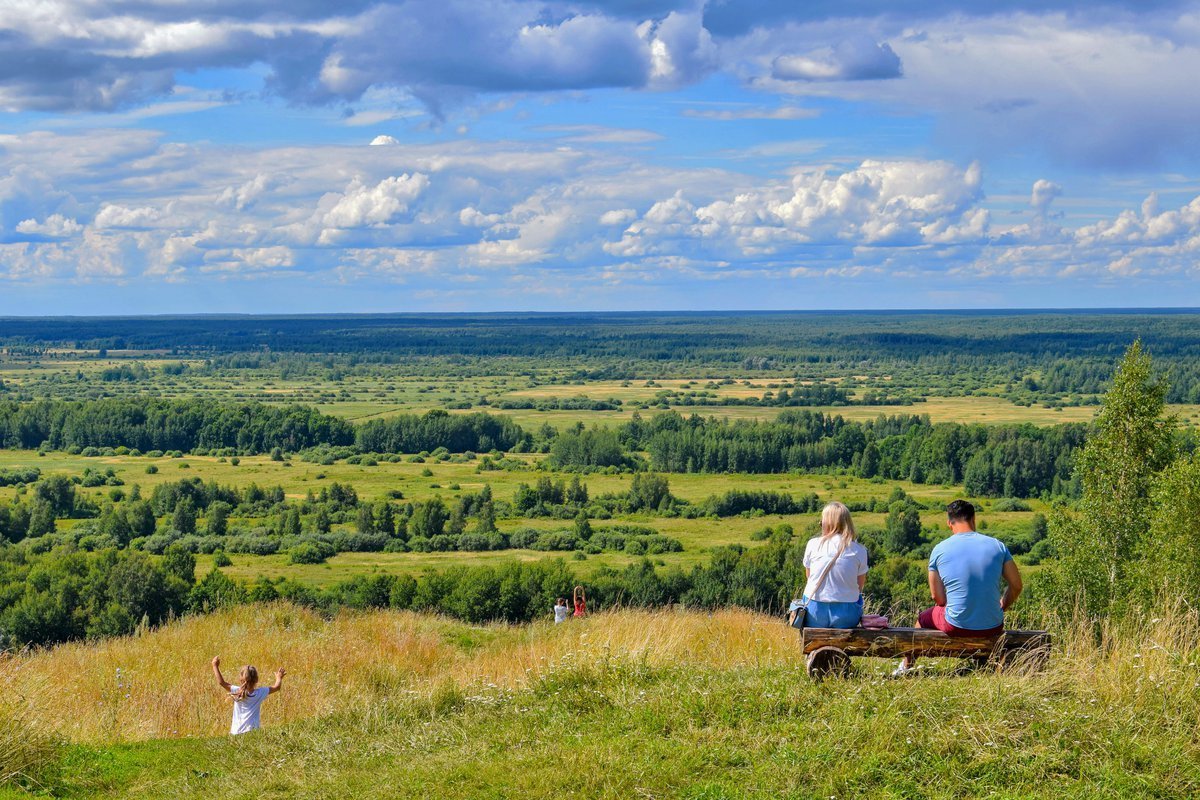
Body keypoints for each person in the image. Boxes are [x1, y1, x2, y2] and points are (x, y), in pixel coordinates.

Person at [894, 499, 1023, 676]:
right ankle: (983, 664)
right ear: (973, 518)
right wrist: (1002, 606)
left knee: (923, 619)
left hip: (956, 625)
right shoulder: (997, 545)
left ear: (949, 523)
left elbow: (937, 598)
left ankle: (906, 667)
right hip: (994, 625)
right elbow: (1016, 585)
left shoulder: (940, 549)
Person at [790, 501, 868, 629]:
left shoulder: (813, 544)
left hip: (815, 610)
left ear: (825, 524)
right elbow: (859, 587)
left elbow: (809, 578)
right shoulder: (859, 550)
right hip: (846, 614)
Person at [212, 656, 285, 735]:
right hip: (252, 732)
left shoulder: (237, 691)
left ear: (241, 679)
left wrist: (215, 666)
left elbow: (222, 682)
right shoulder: (260, 692)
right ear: (256, 679)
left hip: (236, 732)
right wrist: (279, 677)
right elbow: (277, 687)